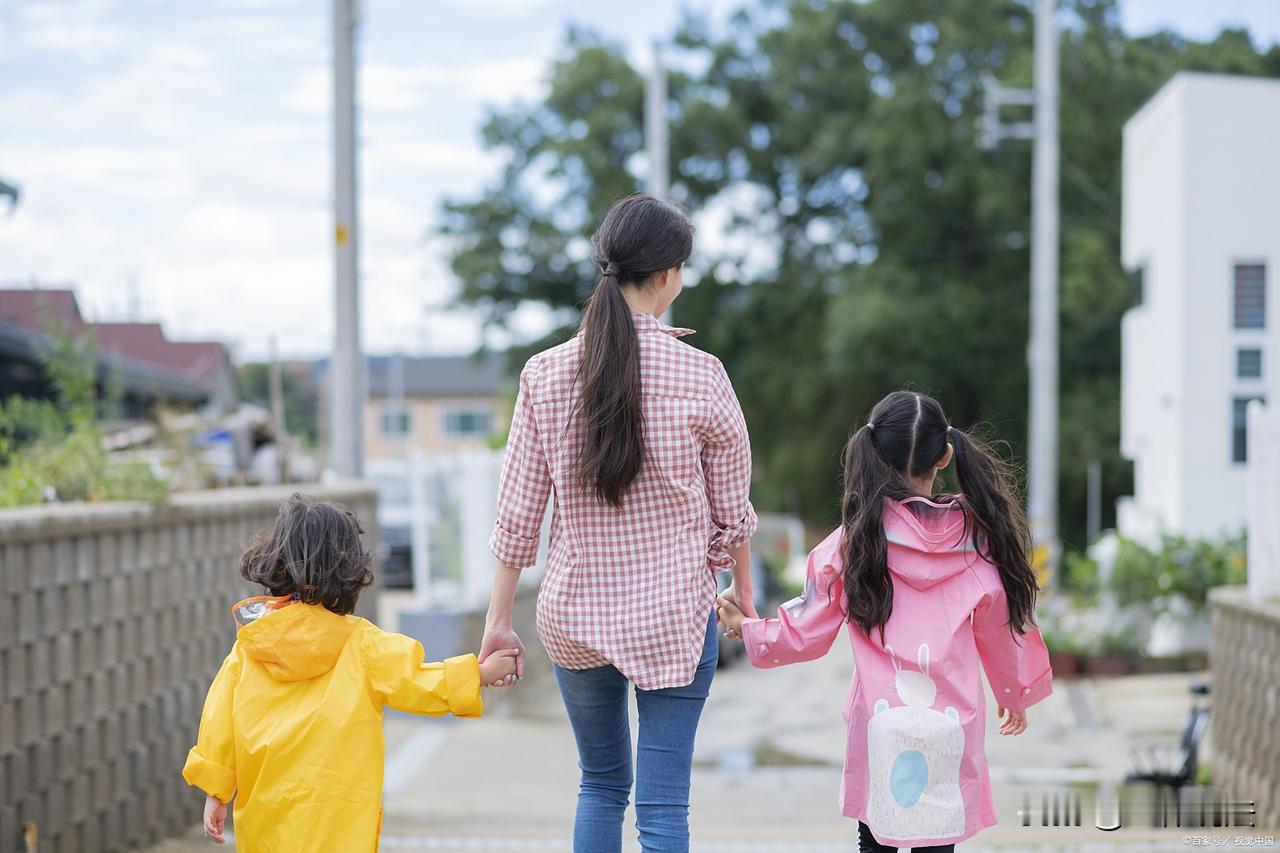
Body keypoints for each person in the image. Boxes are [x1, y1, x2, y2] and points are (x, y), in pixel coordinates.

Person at [480, 193, 758, 852]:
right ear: (666, 275)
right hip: (674, 618)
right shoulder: (703, 376)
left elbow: (518, 513)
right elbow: (733, 512)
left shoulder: (543, 375)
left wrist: (498, 620)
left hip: (574, 618)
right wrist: (743, 595)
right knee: (663, 808)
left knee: (600, 785)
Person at [717, 390, 1053, 853]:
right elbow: (1001, 624)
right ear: (946, 457)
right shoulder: (979, 541)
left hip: (882, 726)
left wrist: (750, 628)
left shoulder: (855, 541)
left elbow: (807, 628)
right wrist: (1014, 691)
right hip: (951, 726)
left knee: (875, 842)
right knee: (939, 844)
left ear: (875, 453)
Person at [181, 494, 519, 851]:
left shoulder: (251, 645)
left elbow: (219, 721)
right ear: (348, 569)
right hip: (340, 823)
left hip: (268, 819)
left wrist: (216, 791)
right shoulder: (362, 645)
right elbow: (418, 679)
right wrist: (480, 673)